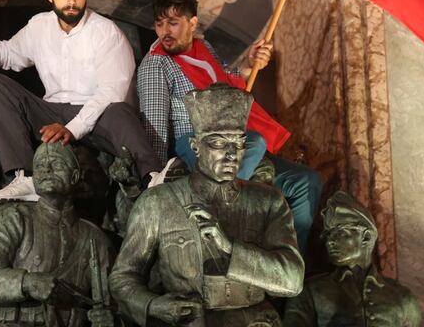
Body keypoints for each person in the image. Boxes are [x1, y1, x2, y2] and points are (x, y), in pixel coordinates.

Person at [0, 0, 164, 202]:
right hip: (51, 111)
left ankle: (152, 178)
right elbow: (10, 53)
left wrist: (72, 128)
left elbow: (111, 92)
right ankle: (25, 178)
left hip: (98, 116)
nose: (71, 0)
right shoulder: (39, 26)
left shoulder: (106, 32)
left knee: (120, 110)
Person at [137, 0, 324, 249]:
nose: (165, 31)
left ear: (192, 23)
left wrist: (249, 64)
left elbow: (226, 82)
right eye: (159, 24)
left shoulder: (204, 48)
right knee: (254, 142)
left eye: (173, 23)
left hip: (235, 138)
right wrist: (157, 180)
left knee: (307, 182)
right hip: (193, 142)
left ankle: (290, 262)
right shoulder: (155, 64)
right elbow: (153, 126)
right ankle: (219, 208)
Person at [110, 84, 304, 327]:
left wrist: (230, 248)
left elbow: (292, 281)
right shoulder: (157, 202)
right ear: (195, 146)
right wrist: (153, 305)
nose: (232, 154)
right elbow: (122, 278)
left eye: (239, 143)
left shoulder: (268, 201)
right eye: (219, 143)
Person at [0, 142, 114, 327]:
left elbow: (112, 303)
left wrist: (112, 319)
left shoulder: (95, 239)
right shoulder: (11, 218)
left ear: (74, 176)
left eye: (57, 164)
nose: (47, 170)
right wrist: (26, 283)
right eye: (40, 166)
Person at [283, 192, 421, 327]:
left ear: (366, 237)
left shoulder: (403, 298)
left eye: (340, 232)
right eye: (328, 235)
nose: (330, 241)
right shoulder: (310, 291)